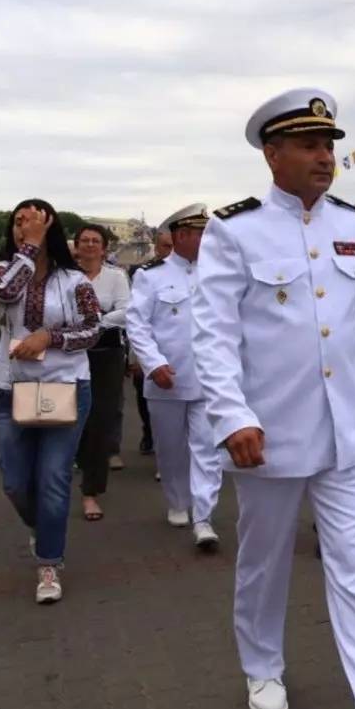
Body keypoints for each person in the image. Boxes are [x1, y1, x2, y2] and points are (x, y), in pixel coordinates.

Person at [191, 88, 355, 709]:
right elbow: (212, 334)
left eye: (329, 144)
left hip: (347, 431)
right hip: (267, 434)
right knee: (265, 561)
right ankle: (262, 665)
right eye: (309, 144)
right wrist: (231, 415)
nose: (326, 156)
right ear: (273, 155)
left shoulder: (354, 225)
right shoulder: (234, 229)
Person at [0, 199, 100, 603]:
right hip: (9, 388)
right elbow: (4, 292)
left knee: (53, 479)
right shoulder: (1, 269)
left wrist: (50, 337)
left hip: (65, 387)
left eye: (33, 221)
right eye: (18, 221)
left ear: (51, 225)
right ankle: (42, 527)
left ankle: (49, 563)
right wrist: (29, 248)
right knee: (15, 483)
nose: (24, 226)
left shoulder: (74, 281)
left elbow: (92, 330)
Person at [126, 204, 223, 550]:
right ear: (183, 236)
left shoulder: (217, 272)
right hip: (167, 376)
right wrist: (153, 364)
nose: (209, 238)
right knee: (170, 450)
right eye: (202, 232)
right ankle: (178, 501)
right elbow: (137, 324)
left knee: (206, 448)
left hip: (209, 378)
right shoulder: (150, 275)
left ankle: (203, 516)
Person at [71, 224, 131, 520]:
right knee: (70, 416)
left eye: (96, 241)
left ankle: (91, 490)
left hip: (106, 355)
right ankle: (76, 462)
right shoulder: (65, 276)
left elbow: (126, 310)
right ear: (76, 246)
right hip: (70, 354)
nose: (91, 245)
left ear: (104, 248)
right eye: (85, 241)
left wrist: (95, 321)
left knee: (101, 417)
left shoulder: (116, 277)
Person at [127, 229, 173, 458]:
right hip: (151, 354)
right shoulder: (145, 274)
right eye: (166, 246)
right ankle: (149, 433)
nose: (170, 252)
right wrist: (136, 357)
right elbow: (135, 319)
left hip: (186, 359)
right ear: (156, 248)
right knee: (145, 399)